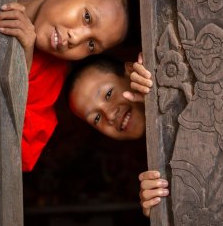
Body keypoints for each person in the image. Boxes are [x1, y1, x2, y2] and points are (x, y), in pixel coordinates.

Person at [0, 0, 129, 171]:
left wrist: (22, 62)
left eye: (91, 45)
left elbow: (18, 159)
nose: (76, 38)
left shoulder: (51, 76)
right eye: (87, 17)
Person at [64, 53, 166, 217]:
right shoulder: (146, 170)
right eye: (96, 118)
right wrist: (160, 210)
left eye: (109, 94)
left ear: (131, 71)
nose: (110, 116)